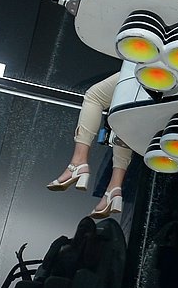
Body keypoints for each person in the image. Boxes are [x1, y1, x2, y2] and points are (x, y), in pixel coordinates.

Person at [46, 70, 135, 217]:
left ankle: (78, 162)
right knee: (124, 113)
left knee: (94, 97)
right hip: (170, 76)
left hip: (153, 64)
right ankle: (113, 188)